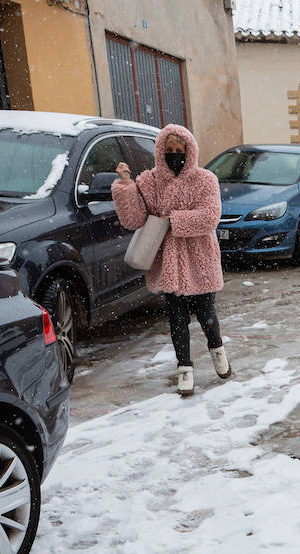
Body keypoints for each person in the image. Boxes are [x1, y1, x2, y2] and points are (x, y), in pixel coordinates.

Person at [112, 124, 230, 397]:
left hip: (199, 258)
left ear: (189, 151)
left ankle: (217, 351)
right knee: (176, 318)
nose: (174, 155)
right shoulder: (150, 181)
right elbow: (133, 219)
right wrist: (126, 185)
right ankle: (184, 370)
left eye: (179, 150)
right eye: (169, 150)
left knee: (206, 313)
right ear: (160, 151)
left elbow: (210, 216)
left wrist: (173, 220)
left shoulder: (205, 179)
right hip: (168, 262)